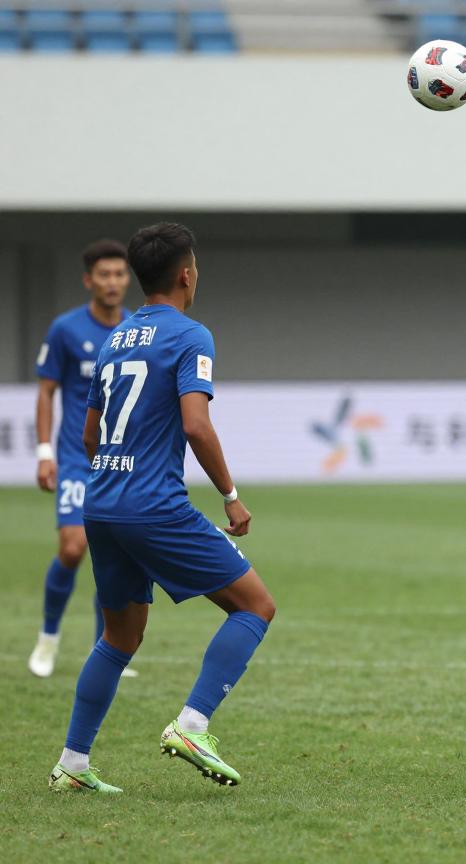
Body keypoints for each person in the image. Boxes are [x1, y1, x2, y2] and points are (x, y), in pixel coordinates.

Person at [49, 222, 276, 793]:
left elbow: (90, 433)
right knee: (255, 606)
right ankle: (193, 725)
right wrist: (230, 495)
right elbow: (196, 425)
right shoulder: (191, 336)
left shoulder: (115, 338)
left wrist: (117, 478)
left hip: (102, 503)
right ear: (186, 276)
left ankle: (72, 763)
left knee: (118, 638)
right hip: (153, 506)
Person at [29, 239, 136, 679]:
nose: (113, 282)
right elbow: (46, 392)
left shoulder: (136, 330)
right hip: (76, 456)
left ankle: (104, 650)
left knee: (116, 557)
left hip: (120, 461)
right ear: (88, 280)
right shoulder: (66, 329)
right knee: (73, 548)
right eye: (104, 274)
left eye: (120, 274)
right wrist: (44, 452)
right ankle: (48, 638)